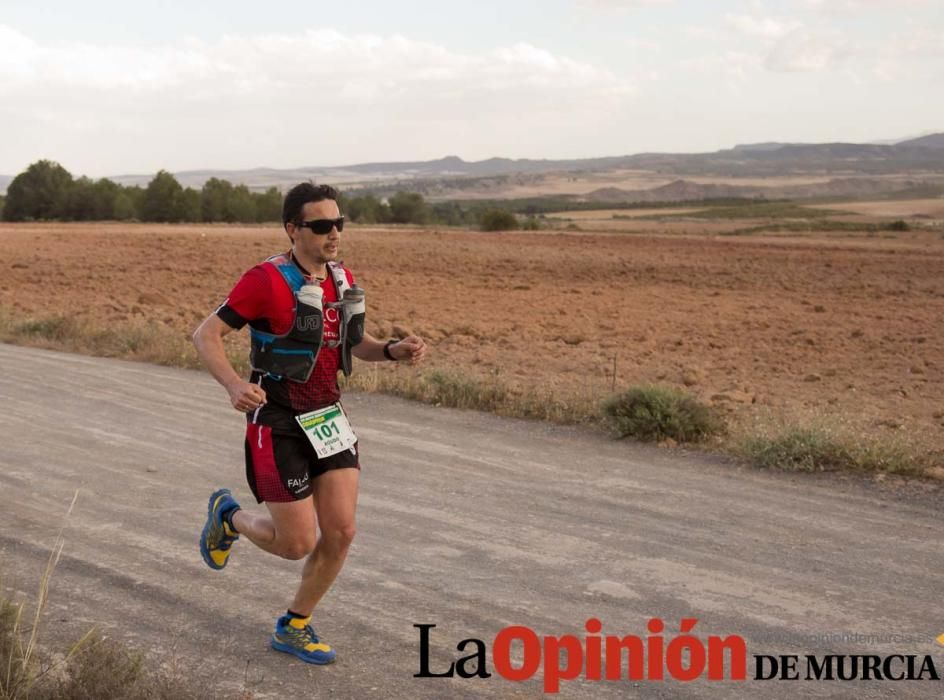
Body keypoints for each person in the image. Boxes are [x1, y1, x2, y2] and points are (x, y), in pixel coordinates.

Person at [193, 182, 427, 664]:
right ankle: (229, 517)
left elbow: (350, 343)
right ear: (292, 230)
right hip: (276, 419)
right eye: (321, 225)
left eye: (338, 223)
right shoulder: (265, 280)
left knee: (340, 533)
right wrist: (235, 385)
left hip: (327, 416)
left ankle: (294, 625)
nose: (334, 233)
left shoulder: (340, 278)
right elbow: (206, 335)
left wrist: (389, 350)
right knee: (296, 543)